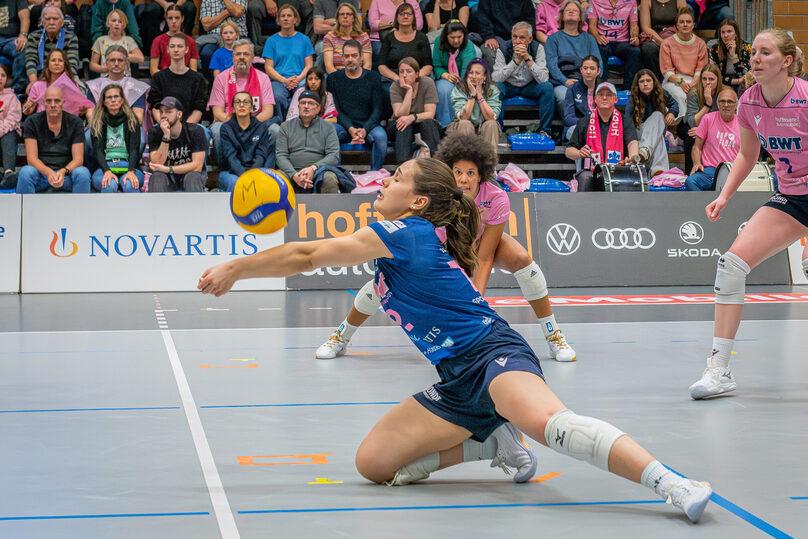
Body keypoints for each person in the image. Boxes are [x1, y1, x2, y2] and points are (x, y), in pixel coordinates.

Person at [198, 157, 713, 525]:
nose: (382, 181)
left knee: (552, 425)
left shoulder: (408, 233)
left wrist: (236, 269)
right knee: (373, 465)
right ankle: (491, 441)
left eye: (395, 178)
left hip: (494, 357)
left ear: (418, 201)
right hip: (454, 380)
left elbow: (307, 256)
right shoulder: (398, 242)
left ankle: (670, 483)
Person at [316, 131, 577, 362]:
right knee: (383, 282)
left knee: (521, 258)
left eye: (471, 173)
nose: (464, 179)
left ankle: (553, 335)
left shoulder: (496, 197)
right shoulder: (436, 197)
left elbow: (484, 257)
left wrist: (477, 304)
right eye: (458, 172)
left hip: (480, 241)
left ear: (481, 175)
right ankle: (341, 335)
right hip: (444, 244)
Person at [688, 29, 808, 399]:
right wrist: (724, 196)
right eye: (752, 52)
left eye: (765, 52)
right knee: (731, 266)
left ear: (786, 61)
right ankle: (719, 370)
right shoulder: (749, 102)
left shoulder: (805, 99)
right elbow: (747, 155)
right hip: (791, 197)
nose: (755, 58)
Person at [564, 81, 641, 191]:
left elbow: (632, 142)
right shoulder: (584, 121)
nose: (604, 97)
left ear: (615, 99)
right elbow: (569, 151)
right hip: (591, 172)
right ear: (595, 99)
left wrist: (632, 158)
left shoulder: (625, 121)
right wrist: (579, 153)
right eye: (600, 94)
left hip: (618, 169)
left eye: (609, 95)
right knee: (585, 177)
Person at [208, 38, 276, 161]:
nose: (242, 57)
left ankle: (264, 168)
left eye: (246, 54)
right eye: (238, 54)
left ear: (253, 57)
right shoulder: (221, 78)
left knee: (275, 130)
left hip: (256, 122)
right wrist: (236, 125)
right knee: (217, 130)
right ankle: (224, 167)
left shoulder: (263, 78)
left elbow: (268, 111)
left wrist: (250, 125)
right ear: (232, 57)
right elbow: (217, 112)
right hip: (228, 122)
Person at [326, 39, 388, 172]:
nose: (350, 59)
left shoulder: (373, 77)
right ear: (342, 58)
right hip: (343, 125)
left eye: (354, 56)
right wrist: (350, 128)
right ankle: (334, 173)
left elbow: (378, 109)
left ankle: (375, 174)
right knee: (328, 131)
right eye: (347, 56)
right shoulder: (333, 79)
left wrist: (365, 129)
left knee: (381, 137)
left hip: (369, 125)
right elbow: (336, 110)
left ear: (361, 58)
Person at [16, 85, 90, 193]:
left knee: (82, 173)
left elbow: (78, 159)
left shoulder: (75, 122)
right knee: (26, 172)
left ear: (63, 102)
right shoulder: (32, 122)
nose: (53, 105)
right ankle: (27, 210)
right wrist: (49, 172)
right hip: (41, 175)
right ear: (43, 103)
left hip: (66, 176)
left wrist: (62, 172)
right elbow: (31, 159)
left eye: (57, 101)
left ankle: (81, 210)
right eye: (49, 101)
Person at [276, 89, 351, 193]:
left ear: (318, 108)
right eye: (303, 103)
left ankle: (328, 209)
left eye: (311, 103)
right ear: (298, 107)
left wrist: (313, 168)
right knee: (276, 180)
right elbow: (281, 156)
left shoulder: (328, 127)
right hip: (291, 171)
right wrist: (294, 175)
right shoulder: (285, 127)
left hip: (319, 171)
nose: (306, 106)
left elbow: (333, 155)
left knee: (330, 178)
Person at [491, 21, 554, 136]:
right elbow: (496, 78)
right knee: (496, 87)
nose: (517, 41)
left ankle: (545, 130)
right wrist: (515, 62)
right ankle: (497, 129)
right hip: (508, 86)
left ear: (530, 39)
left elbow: (544, 78)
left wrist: (528, 59)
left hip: (530, 86)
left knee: (548, 87)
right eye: (514, 37)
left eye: (522, 37)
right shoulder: (504, 48)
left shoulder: (537, 48)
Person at [545, 0, 601, 113]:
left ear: (581, 17)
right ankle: (572, 126)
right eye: (568, 10)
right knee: (563, 97)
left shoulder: (589, 39)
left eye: (575, 10)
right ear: (562, 16)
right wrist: (565, 81)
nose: (571, 11)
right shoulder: (553, 39)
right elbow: (552, 65)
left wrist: (590, 82)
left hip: (587, 81)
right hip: (563, 82)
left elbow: (598, 63)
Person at [377, 1, 433, 113]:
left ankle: (422, 119)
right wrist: (398, 78)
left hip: (418, 77)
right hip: (394, 78)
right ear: (396, 18)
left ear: (414, 17)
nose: (405, 16)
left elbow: (428, 65)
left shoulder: (422, 37)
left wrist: (414, 78)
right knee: (386, 89)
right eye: (402, 14)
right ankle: (392, 120)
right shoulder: (389, 38)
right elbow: (381, 66)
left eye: (409, 14)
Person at [262, 3, 314, 121]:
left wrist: (299, 79)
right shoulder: (271, 41)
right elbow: (268, 67)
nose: (285, 18)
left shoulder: (304, 39)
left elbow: (309, 65)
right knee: (277, 96)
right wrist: (284, 80)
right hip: (279, 80)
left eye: (289, 16)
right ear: (278, 20)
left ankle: (302, 125)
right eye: (283, 16)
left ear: (295, 19)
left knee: (305, 95)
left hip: (300, 79)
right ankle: (281, 125)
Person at [88, 83, 142, 193]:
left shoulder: (132, 120)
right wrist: (107, 171)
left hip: (128, 165)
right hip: (105, 166)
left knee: (130, 185)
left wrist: (131, 171)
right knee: (109, 184)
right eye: (109, 97)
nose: (113, 100)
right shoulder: (97, 122)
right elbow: (97, 151)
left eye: (116, 96)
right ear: (104, 102)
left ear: (122, 100)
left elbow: (134, 149)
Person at [217, 90, 275, 192]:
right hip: (231, 172)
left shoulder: (261, 127)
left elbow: (261, 155)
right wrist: (246, 177)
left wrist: (252, 176)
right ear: (233, 108)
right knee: (236, 183)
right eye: (238, 102)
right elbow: (231, 157)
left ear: (252, 108)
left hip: (256, 170)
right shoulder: (226, 128)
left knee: (265, 183)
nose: (242, 105)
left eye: (246, 102)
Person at [147, 96, 206, 192]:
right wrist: (166, 136)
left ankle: (196, 207)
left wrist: (168, 169)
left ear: (179, 114)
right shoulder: (155, 132)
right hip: (166, 177)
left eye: (168, 112)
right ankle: (157, 207)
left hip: (188, 175)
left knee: (193, 176)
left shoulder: (195, 131)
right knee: (157, 177)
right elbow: (157, 164)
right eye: (161, 112)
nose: (163, 115)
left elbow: (197, 166)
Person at [684, 87, 738, 191]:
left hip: (734, 170)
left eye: (730, 102)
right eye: (722, 101)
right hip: (711, 170)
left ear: (736, 105)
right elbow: (697, 147)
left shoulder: (743, 123)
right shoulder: (708, 118)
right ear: (717, 104)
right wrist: (696, 163)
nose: (726, 105)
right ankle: (704, 205)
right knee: (691, 181)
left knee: (773, 181)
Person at [625, 69, 677, 175]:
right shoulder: (633, 98)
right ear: (637, 84)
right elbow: (627, 121)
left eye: (648, 80)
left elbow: (675, 105)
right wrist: (633, 143)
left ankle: (653, 165)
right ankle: (659, 171)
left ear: (654, 82)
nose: (645, 84)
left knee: (658, 117)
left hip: (654, 134)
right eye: (642, 81)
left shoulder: (661, 92)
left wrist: (672, 113)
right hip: (639, 133)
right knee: (658, 121)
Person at [148, 34, 209, 125]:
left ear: (186, 49)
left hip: (191, 126)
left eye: (180, 46)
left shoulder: (198, 79)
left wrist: (184, 129)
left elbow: (199, 109)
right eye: (172, 46)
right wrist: (165, 125)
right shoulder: (159, 77)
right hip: (164, 124)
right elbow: (155, 107)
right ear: (168, 49)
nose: (176, 50)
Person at [389, 57, 440, 162]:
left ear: (417, 74)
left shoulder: (427, 83)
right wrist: (409, 90)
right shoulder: (395, 86)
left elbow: (430, 113)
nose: (404, 75)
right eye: (401, 71)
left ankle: (436, 164)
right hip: (400, 124)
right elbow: (400, 114)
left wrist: (413, 117)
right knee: (403, 124)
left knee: (429, 123)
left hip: (421, 121)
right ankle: (403, 166)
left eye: (409, 71)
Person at [659, 7, 707, 116]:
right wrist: (680, 82)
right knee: (681, 95)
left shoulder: (701, 44)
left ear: (693, 25)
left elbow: (701, 69)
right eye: (681, 22)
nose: (685, 24)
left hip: (695, 80)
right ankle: (681, 124)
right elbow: (667, 71)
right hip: (673, 80)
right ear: (677, 26)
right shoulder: (667, 43)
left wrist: (694, 82)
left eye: (688, 22)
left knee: (697, 95)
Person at [448, 58, 501, 155]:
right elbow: (463, 116)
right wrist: (472, 95)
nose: (473, 76)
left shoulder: (493, 90)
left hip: (484, 129)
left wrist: (479, 95)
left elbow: (491, 117)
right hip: (462, 129)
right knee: (465, 123)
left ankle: (489, 166)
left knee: (491, 124)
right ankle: (466, 162)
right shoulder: (459, 89)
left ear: (484, 77)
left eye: (477, 73)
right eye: (471, 73)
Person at [86, 45, 149, 124]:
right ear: (106, 63)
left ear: (126, 63)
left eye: (120, 60)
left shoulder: (136, 86)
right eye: (112, 60)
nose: (116, 63)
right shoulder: (94, 86)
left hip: (129, 128)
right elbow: (90, 114)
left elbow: (138, 117)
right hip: (100, 127)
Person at [677, 62, 722, 172]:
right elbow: (692, 122)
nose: (707, 82)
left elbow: (727, 120)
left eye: (711, 79)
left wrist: (705, 130)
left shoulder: (724, 93)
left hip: (713, 126)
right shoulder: (694, 92)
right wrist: (707, 104)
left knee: (700, 133)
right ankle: (691, 172)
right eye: (704, 79)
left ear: (718, 80)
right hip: (688, 124)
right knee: (692, 134)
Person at [588, 0, 641, 90]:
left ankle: (629, 89)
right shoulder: (595, 1)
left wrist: (634, 36)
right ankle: (601, 88)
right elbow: (591, 25)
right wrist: (597, 36)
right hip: (604, 41)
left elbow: (634, 25)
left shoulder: (631, 1)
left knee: (635, 51)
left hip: (622, 41)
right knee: (600, 50)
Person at [432, 20, 475, 128]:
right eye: (452, 37)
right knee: (444, 89)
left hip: (464, 76)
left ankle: (462, 123)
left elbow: (468, 68)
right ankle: (445, 125)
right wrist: (444, 75)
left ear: (464, 35)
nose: (456, 41)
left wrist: (461, 82)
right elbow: (436, 65)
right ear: (446, 36)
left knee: (462, 90)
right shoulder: (438, 42)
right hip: (446, 75)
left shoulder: (468, 45)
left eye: (459, 37)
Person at [23, 48, 91, 117]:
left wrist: (83, 110)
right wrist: (27, 108)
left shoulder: (72, 85)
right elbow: (27, 111)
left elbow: (79, 110)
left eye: (60, 60)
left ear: (65, 64)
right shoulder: (37, 86)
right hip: (42, 122)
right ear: (48, 64)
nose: (57, 63)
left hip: (66, 123)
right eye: (53, 60)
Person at [24, 6, 79, 85]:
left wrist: (58, 82)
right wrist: (34, 83)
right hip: (39, 76)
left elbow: (72, 64)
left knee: (79, 89)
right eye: (48, 19)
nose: (51, 22)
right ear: (42, 22)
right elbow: (30, 60)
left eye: (55, 19)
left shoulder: (71, 38)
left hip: (65, 77)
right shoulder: (33, 36)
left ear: (62, 22)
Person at [475, 0, 535, 67]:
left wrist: (522, 39)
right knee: (489, 50)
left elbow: (530, 21)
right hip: (495, 37)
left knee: (535, 49)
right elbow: (483, 18)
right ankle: (498, 77)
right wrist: (489, 37)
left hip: (519, 37)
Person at [89, 9, 145, 76]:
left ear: (124, 25)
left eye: (120, 21)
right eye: (114, 20)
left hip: (125, 78)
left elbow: (141, 58)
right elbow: (92, 65)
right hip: (107, 79)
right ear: (108, 23)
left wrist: (124, 56)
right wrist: (105, 69)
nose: (117, 23)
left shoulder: (129, 40)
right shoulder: (100, 41)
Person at [639, 0, 686, 80]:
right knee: (649, 49)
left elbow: (684, 22)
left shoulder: (680, 1)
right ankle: (656, 81)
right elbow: (645, 27)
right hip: (653, 35)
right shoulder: (646, 1)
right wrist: (662, 42)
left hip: (673, 33)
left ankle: (675, 80)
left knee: (679, 46)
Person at [197, 0, 247, 74]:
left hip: (238, 35)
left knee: (248, 50)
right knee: (206, 52)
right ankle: (212, 82)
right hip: (214, 36)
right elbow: (206, 25)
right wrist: (228, 12)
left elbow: (237, 12)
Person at [148, 4, 199, 76]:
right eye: (170, 18)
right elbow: (153, 70)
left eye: (177, 18)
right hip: (164, 81)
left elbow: (193, 70)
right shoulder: (158, 41)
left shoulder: (190, 41)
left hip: (185, 81)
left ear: (182, 19)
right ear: (166, 18)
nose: (174, 21)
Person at [322, 2, 371, 74]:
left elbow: (367, 65)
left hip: (359, 77)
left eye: (348, 14)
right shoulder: (329, 37)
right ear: (337, 18)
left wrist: (359, 79)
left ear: (354, 18)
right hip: (337, 76)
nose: (345, 16)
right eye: (342, 14)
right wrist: (342, 80)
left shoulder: (363, 37)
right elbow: (329, 66)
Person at [562, 54, 600, 141]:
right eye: (585, 68)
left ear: (598, 71)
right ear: (581, 70)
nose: (588, 72)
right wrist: (589, 123)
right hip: (577, 127)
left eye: (592, 68)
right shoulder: (572, 88)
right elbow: (568, 118)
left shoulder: (604, 89)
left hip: (599, 128)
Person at [708, 18, 751, 92]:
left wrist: (734, 56)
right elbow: (715, 75)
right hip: (723, 85)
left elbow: (746, 75)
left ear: (736, 33)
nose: (725, 35)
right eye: (723, 32)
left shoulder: (747, 48)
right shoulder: (714, 49)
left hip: (744, 86)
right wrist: (737, 81)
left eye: (729, 31)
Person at [0, 0, 30, 95]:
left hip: (11, 39)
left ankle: (17, 91)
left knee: (22, 47)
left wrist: (23, 35)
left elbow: (25, 17)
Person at [0, 64, 21, 189]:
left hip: (6, 137)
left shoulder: (12, 98)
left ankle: (9, 173)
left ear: (7, 79)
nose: (0, 78)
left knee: (9, 133)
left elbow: (13, 120)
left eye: (3, 75)